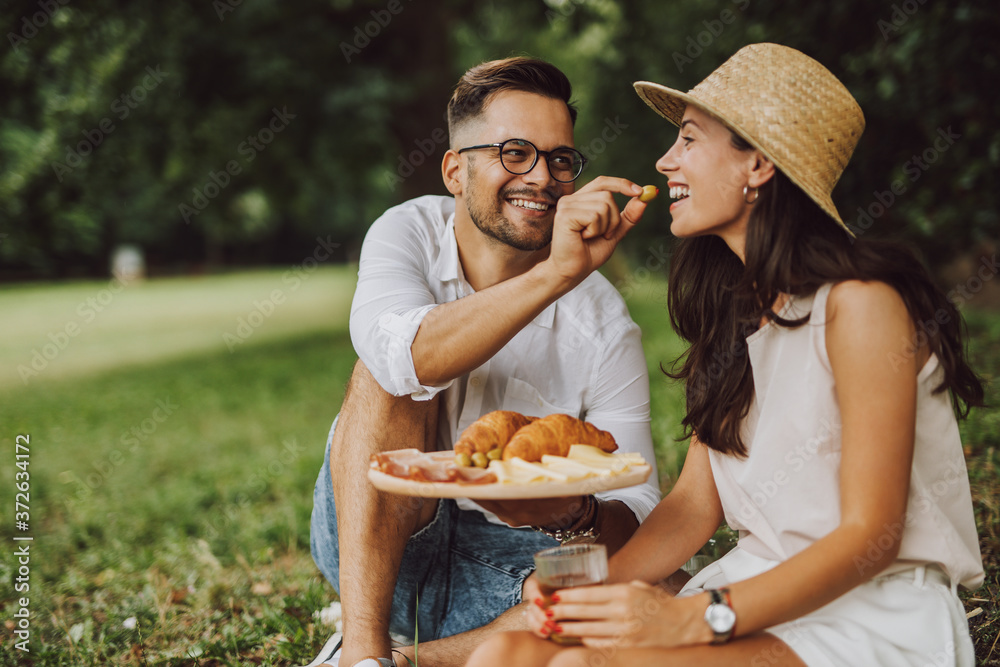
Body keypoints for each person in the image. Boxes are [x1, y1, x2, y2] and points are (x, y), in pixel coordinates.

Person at [467, 43, 985, 667]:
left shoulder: (862, 306)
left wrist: (690, 615)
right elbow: (691, 508)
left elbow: (872, 535)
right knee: (506, 655)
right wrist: (596, 594)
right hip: (750, 592)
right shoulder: (734, 319)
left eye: (687, 139)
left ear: (759, 163)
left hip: (866, 615)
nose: (665, 162)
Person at [302, 57, 663, 667]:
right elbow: (404, 358)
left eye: (560, 160)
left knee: (636, 593)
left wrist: (572, 513)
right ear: (455, 170)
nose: (543, 177)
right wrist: (555, 275)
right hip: (378, 544)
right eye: (515, 152)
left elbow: (642, 513)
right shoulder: (407, 233)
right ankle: (363, 653)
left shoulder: (602, 323)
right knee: (386, 373)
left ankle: (410, 660)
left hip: (511, 565)